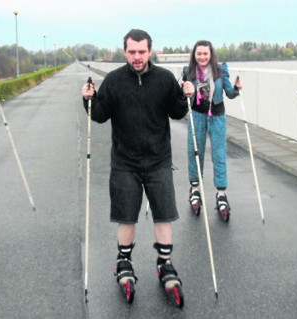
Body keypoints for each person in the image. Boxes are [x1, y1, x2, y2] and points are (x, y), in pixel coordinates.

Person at [81, 29, 194, 294]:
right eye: (132, 52)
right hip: (125, 161)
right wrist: (88, 99)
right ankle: (123, 261)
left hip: (158, 160)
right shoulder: (114, 80)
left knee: (164, 215)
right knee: (126, 216)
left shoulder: (165, 79)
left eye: (142, 51)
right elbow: (98, 115)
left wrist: (185, 95)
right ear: (125, 52)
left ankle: (165, 263)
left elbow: (177, 112)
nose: (137, 57)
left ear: (150, 51)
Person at [183, 40, 242, 220]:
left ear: (211, 54)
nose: (202, 57)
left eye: (205, 54)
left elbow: (229, 93)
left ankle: (221, 194)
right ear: (194, 55)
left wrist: (237, 89)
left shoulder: (220, 69)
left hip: (217, 116)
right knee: (195, 152)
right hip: (197, 116)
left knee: (219, 153)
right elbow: (184, 93)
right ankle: (194, 189)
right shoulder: (188, 71)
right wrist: (185, 90)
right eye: (199, 54)